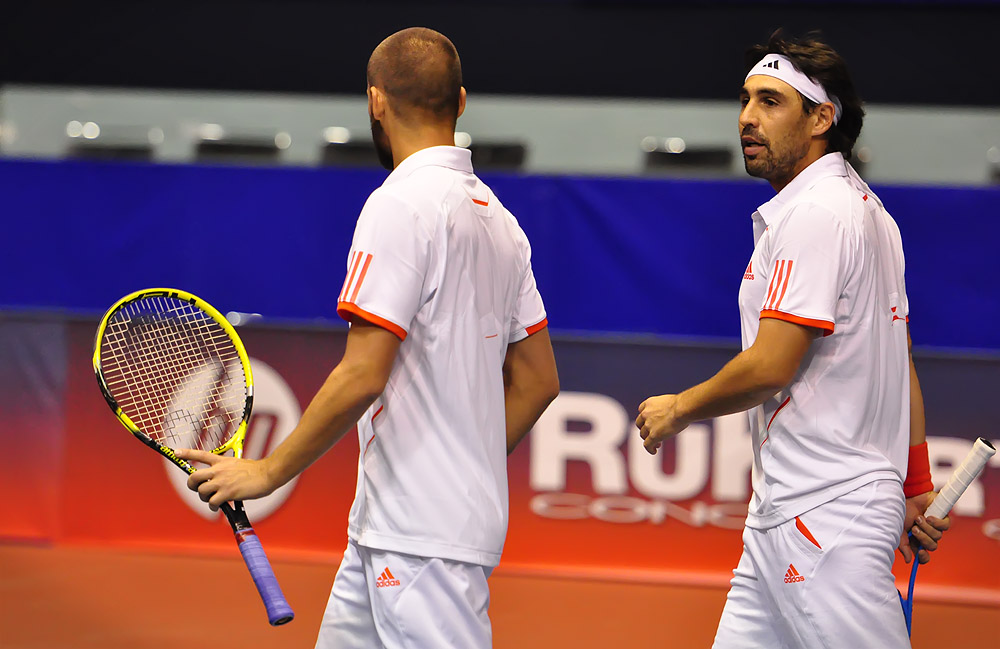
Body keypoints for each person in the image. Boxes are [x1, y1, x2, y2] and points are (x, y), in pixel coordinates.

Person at [176, 27, 559, 649]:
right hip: (393, 532)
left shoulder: (398, 205)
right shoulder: (502, 224)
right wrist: (467, 459)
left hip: (419, 540)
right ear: (460, 102)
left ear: (376, 102)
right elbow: (540, 382)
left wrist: (267, 471)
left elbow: (363, 372)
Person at [635, 31, 949, 648]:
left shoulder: (819, 214)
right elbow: (900, 362)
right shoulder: (868, 212)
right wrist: (914, 486)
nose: (747, 118)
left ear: (821, 119)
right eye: (746, 100)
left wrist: (680, 408)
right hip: (788, 517)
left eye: (771, 102)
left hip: (824, 518)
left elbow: (772, 364)